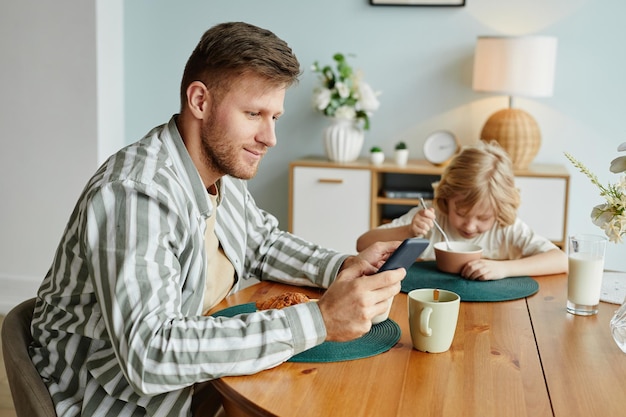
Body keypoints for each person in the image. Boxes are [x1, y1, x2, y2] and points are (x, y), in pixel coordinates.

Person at [29, 22, 405, 417]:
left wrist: (344, 265)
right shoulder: (136, 194)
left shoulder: (218, 170)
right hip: (118, 403)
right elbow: (151, 353)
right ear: (200, 102)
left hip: (201, 384)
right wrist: (319, 320)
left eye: (274, 117)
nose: (270, 137)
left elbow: (262, 243)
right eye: (254, 114)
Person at [356, 141, 568, 281]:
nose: (470, 225)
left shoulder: (506, 227)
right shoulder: (431, 216)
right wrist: (408, 231)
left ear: (500, 209)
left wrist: (504, 269)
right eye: (461, 212)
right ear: (447, 198)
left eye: (483, 217)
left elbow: (561, 260)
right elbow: (363, 244)